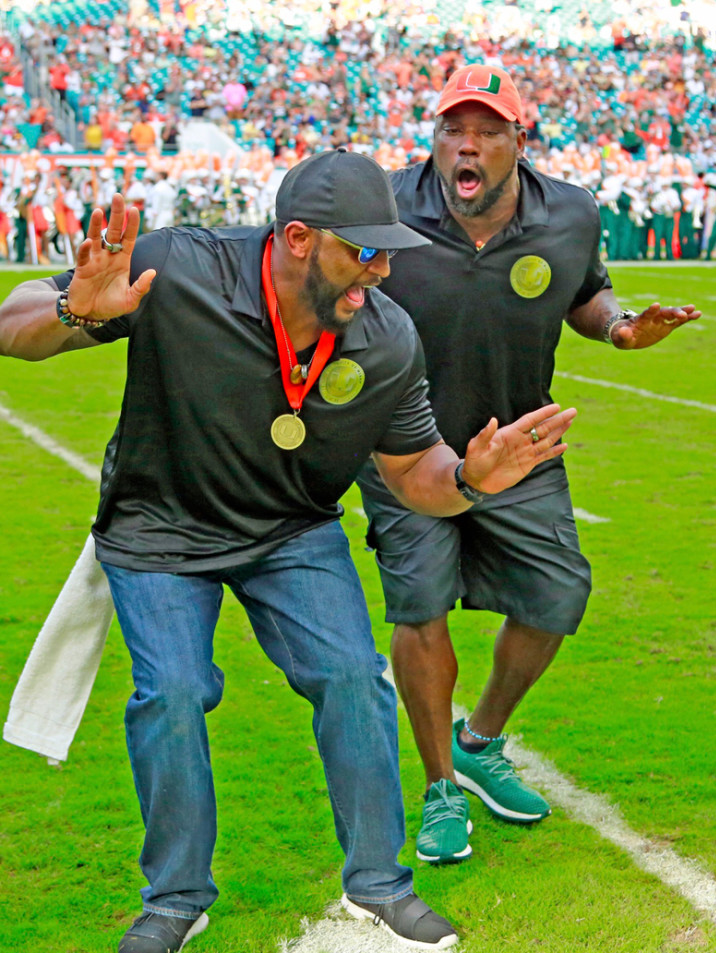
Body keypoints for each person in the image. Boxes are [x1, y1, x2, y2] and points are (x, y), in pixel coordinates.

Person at [0, 148, 576, 952]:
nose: (377, 270)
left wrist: (475, 478)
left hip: (289, 528)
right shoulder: (181, 267)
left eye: (387, 251)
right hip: (159, 525)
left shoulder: (385, 337)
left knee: (351, 675)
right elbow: (11, 324)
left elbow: (416, 472)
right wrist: (75, 313)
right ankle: (175, 897)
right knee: (170, 692)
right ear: (298, 237)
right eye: (361, 250)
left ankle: (379, 883)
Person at [358, 65, 699, 866]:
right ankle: (443, 785)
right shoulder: (386, 205)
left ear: (520, 139)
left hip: (520, 441)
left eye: (484, 130)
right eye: (451, 129)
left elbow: (589, 293)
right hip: (408, 444)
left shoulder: (571, 212)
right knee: (420, 607)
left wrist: (620, 328)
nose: (465, 144)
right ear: (435, 138)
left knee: (558, 592)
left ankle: (479, 740)